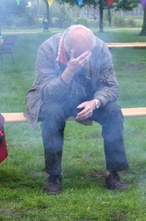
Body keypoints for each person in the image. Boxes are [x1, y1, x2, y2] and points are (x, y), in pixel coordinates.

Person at [24, 25, 129, 194]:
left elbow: (110, 86)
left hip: (87, 97)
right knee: (53, 114)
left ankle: (113, 174)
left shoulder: (99, 47)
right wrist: (69, 71)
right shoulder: (48, 48)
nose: (84, 57)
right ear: (67, 46)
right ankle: (54, 176)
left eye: (87, 52)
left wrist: (94, 103)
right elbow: (46, 92)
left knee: (113, 111)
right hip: (53, 99)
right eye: (79, 53)